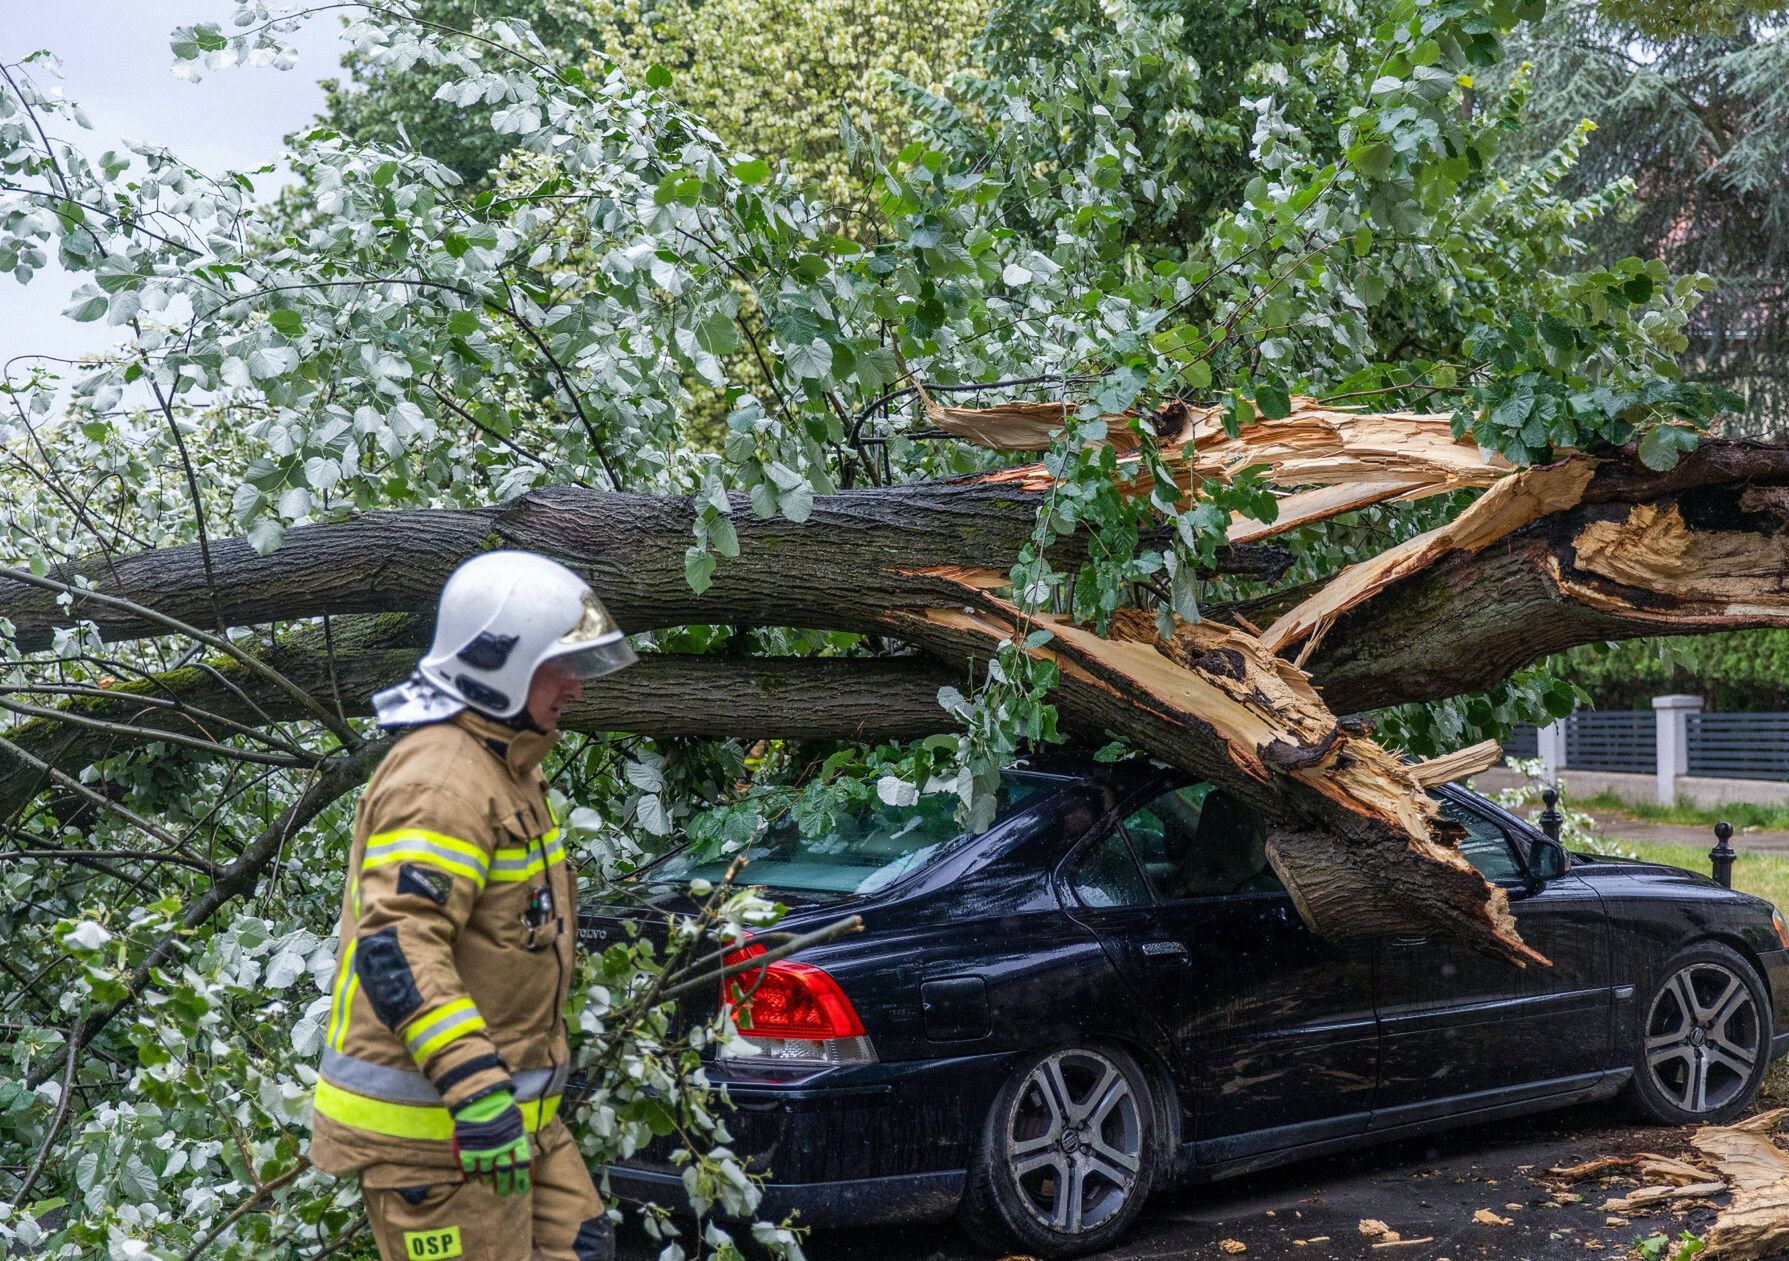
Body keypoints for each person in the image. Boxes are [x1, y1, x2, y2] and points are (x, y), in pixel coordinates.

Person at [308, 551, 636, 1261]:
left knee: (585, 1245)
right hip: (439, 1135)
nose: (575, 688)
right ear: (501, 661)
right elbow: (397, 945)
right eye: (561, 665)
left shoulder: (505, 764)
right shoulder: (442, 778)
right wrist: (477, 1089)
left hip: (516, 1126)